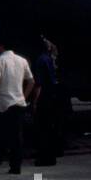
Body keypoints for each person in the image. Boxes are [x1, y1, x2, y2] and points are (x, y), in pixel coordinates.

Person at [0, 38, 34, 175]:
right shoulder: (22, 61)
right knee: (17, 137)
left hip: (4, 104)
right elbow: (31, 81)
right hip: (19, 103)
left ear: (0, 45)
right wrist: (24, 96)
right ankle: (15, 166)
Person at [31, 35, 65, 166]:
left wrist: (34, 102)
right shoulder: (49, 59)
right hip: (53, 95)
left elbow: (38, 84)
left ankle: (44, 157)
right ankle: (51, 155)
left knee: (43, 127)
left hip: (44, 97)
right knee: (51, 127)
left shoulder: (40, 60)